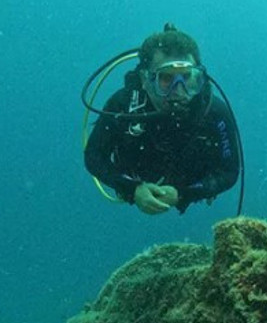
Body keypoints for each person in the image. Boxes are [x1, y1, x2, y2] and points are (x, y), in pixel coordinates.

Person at [84, 24, 241, 215]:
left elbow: (229, 171)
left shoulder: (214, 113)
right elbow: (94, 156)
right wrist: (132, 189)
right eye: (166, 79)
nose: (179, 91)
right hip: (134, 178)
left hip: (189, 184)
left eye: (187, 77)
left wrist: (183, 194)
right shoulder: (123, 106)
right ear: (144, 79)